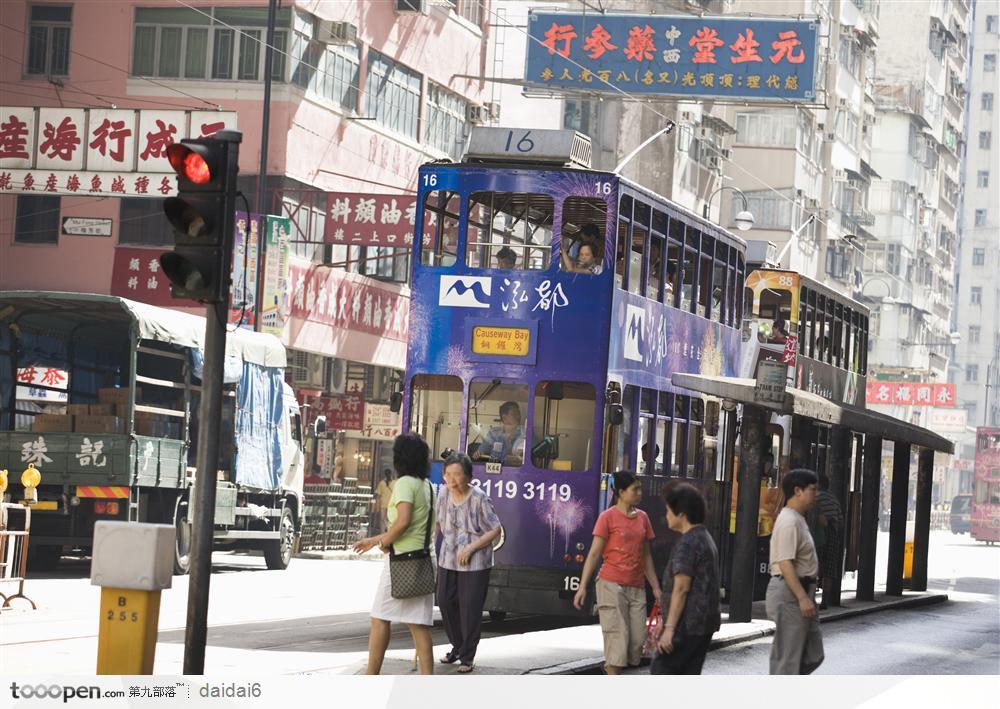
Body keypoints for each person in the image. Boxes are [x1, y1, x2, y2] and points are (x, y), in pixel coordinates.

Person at [353, 433, 437, 675]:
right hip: (424, 560)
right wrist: (379, 540)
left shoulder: (404, 484)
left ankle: (371, 676)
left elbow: (402, 522)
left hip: (402, 562)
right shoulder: (428, 487)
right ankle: (429, 681)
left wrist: (382, 542)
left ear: (400, 458)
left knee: (380, 617)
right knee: (419, 625)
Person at [573, 471, 661, 674]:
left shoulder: (643, 518)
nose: (640, 493)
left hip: (636, 586)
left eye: (639, 488)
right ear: (621, 492)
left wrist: (656, 588)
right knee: (617, 639)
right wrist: (582, 587)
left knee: (637, 642)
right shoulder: (607, 518)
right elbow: (594, 554)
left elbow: (646, 556)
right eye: (635, 489)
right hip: (611, 584)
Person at [436, 453, 502, 674]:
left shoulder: (479, 498)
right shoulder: (443, 493)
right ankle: (458, 645)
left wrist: (472, 548)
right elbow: (438, 522)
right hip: (448, 557)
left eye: (457, 475)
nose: (452, 480)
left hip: (475, 562)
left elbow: (495, 529)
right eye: (448, 474)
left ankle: (467, 656)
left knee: (470, 609)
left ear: (469, 476)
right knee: (444, 601)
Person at [651, 483, 721, 675]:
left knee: (662, 669)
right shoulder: (705, 537)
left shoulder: (688, 543)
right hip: (702, 624)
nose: (666, 516)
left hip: (687, 624)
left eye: (668, 511)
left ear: (681, 514)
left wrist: (670, 628)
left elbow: (681, 588)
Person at [765, 468, 824, 675]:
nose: (816, 494)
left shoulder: (797, 518)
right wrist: (801, 597)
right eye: (813, 489)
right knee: (788, 661)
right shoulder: (789, 521)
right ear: (798, 491)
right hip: (790, 592)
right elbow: (785, 563)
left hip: (800, 591)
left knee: (812, 653)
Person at [815, 472, 843, 609]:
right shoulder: (834, 499)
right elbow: (841, 521)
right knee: (829, 569)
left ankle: (810, 596)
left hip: (818, 535)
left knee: (815, 566)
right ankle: (825, 600)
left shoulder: (815, 498)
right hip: (833, 535)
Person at [374, 468, 395, 534]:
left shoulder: (381, 483)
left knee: (382, 519)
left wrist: (376, 506)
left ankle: (383, 532)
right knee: (389, 519)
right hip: (392, 504)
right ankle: (389, 530)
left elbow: (378, 495)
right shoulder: (395, 483)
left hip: (383, 503)